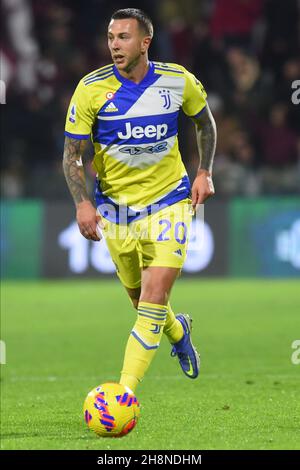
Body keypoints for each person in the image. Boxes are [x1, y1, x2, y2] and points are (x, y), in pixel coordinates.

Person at [63, 8, 216, 393]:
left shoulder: (177, 80)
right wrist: (83, 202)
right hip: (117, 210)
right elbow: (72, 154)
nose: (114, 45)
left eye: (124, 37)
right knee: (140, 301)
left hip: (170, 202)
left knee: (153, 296)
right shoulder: (91, 89)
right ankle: (178, 331)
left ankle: (123, 394)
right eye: (111, 37)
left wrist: (204, 171)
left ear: (145, 42)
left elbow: (205, 122)